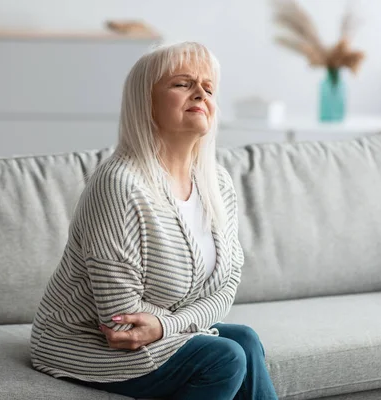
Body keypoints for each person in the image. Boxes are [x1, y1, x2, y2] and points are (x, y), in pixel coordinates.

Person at [30, 41, 279, 400]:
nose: (200, 93)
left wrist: (167, 325)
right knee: (223, 357)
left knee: (244, 339)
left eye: (208, 88)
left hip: (161, 332)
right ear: (144, 102)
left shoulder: (217, 183)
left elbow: (227, 284)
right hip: (88, 345)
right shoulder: (120, 184)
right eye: (182, 84)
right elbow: (120, 317)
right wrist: (172, 326)